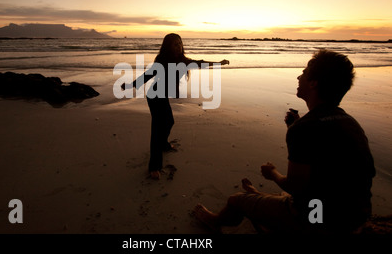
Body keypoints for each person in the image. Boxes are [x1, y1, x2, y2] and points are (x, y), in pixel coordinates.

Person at [194, 49, 375, 233]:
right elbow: (329, 170)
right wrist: (294, 127)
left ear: (313, 83)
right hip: (355, 218)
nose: (298, 77)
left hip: (317, 220)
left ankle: (215, 221)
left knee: (236, 200)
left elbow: (296, 186)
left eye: (303, 73)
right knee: (300, 195)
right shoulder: (351, 123)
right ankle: (263, 200)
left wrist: (272, 172)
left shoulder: (304, 129)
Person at [122, 33, 229, 180]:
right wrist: (130, 85)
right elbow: (148, 75)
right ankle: (154, 167)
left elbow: (200, 63)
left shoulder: (182, 60)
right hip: (154, 96)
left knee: (169, 121)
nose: (179, 46)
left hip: (162, 96)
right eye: (175, 44)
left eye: (180, 43)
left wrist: (218, 63)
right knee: (157, 130)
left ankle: (164, 145)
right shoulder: (161, 60)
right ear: (168, 46)